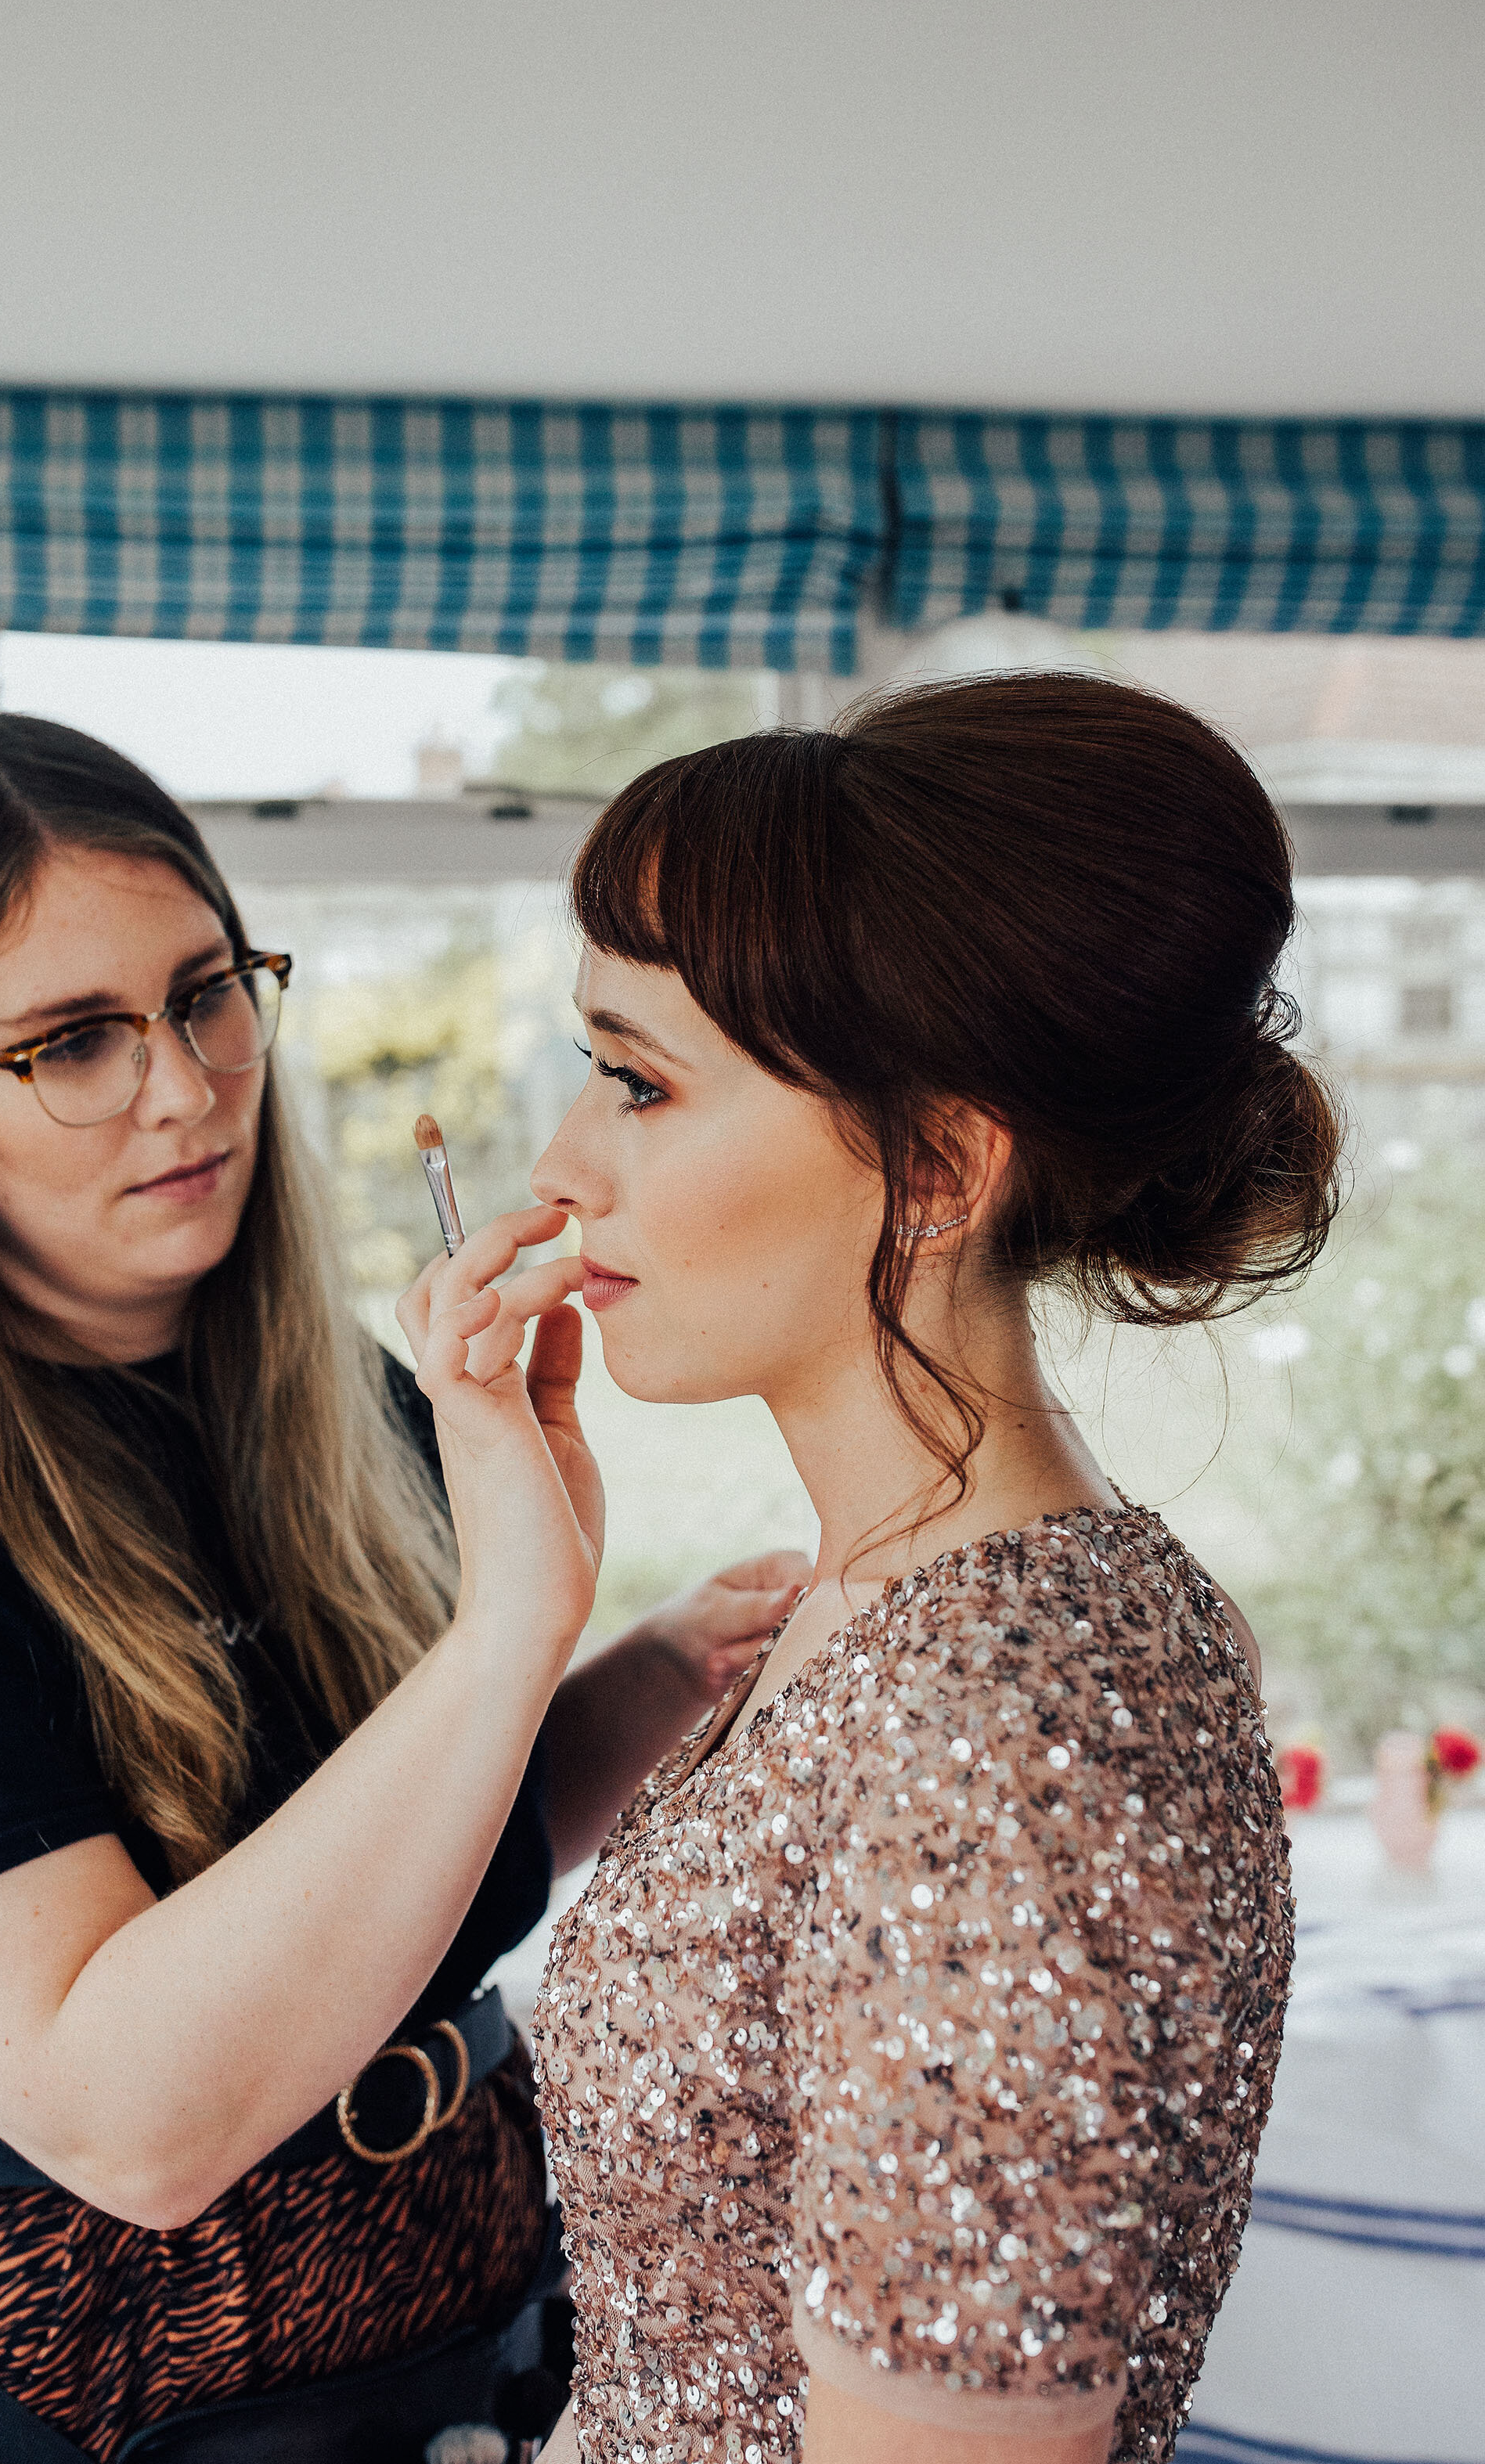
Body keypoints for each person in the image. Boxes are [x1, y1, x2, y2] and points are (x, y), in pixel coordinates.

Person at [0, 713, 806, 2462]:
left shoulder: (356, 1399)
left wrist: (657, 1672)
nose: (187, 1084)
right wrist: (511, 1621)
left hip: (463, 2363)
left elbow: (384, 1861)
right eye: (71, 1043)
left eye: (205, 991)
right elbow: (136, 2118)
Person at [400, 673, 1343, 2464]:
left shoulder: (1007, 1724)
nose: (557, 1167)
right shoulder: (902, 1614)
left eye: (634, 1079)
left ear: (931, 1170)